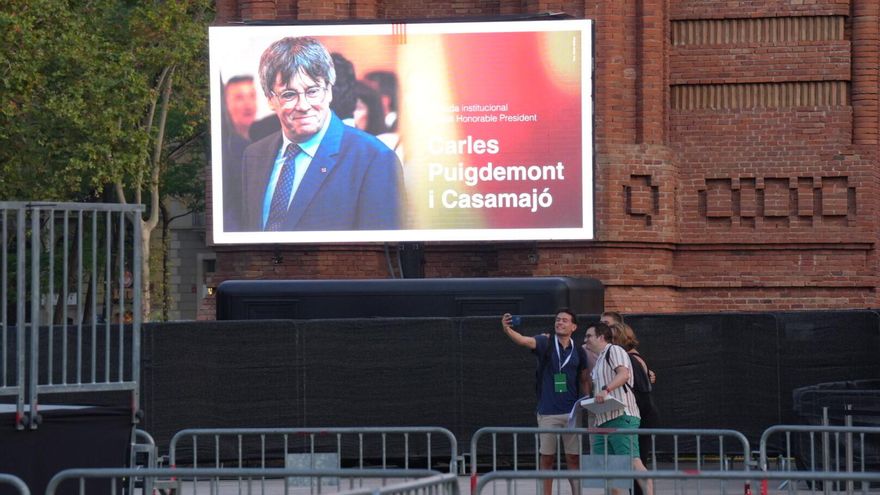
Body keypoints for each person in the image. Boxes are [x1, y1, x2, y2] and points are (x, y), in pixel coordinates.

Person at [237, 37, 405, 232]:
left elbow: (381, 252)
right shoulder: (254, 156)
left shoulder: (373, 158)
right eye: (289, 94)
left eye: (313, 91)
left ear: (329, 91)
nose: (303, 105)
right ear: (270, 100)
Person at [501, 310, 589, 495]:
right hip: (548, 412)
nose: (560, 323)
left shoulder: (579, 350)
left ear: (574, 327)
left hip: (572, 413)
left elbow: (583, 377)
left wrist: (588, 402)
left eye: (565, 320)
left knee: (573, 458)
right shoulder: (545, 342)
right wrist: (507, 329)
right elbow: (524, 341)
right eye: (557, 320)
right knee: (547, 459)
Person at [584, 322, 653, 495]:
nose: (585, 340)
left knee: (633, 462)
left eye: (589, 336)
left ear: (601, 337)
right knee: (606, 468)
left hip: (621, 416)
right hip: (603, 420)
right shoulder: (599, 360)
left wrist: (606, 389)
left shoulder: (614, 350)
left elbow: (624, 374)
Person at [611, 322, 660, 479]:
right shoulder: (629, 357)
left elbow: (641, 390)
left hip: (640, 415)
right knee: (634, 461)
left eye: (611, 338)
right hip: (639, 414)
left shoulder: (631, 358)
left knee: (637, 461)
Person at [221, 75, 258, 230]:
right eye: (239, 98)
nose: (248, 104)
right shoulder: (228, 149)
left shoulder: (263, 142)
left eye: (252, 96)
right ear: (226, 104)